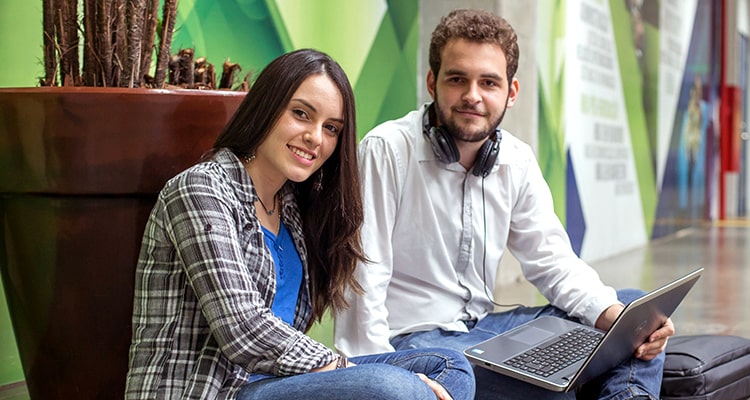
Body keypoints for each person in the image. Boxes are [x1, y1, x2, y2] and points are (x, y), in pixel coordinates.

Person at [334, 10, 672, 400]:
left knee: (633, 309)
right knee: (545, 385)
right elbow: (362, 278)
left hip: (485, 331)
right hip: (419, 346)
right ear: (432, 83)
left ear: (511, 92)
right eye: (457, 79)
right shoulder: (387, 151)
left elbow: (553, 262)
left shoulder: (516, 160)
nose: (472, 96)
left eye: (488, 82)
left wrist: (617, 321)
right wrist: (382, 378)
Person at [125, 48, 475, 400]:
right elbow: (243, 331)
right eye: (301, 114)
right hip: (215, 391)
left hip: (272, 385)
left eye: (331, 128)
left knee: (449, 367)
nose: (315, 137)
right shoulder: (201, 190)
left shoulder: (292, 207)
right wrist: (348, 372)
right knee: (391, 387)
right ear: (267, 106)